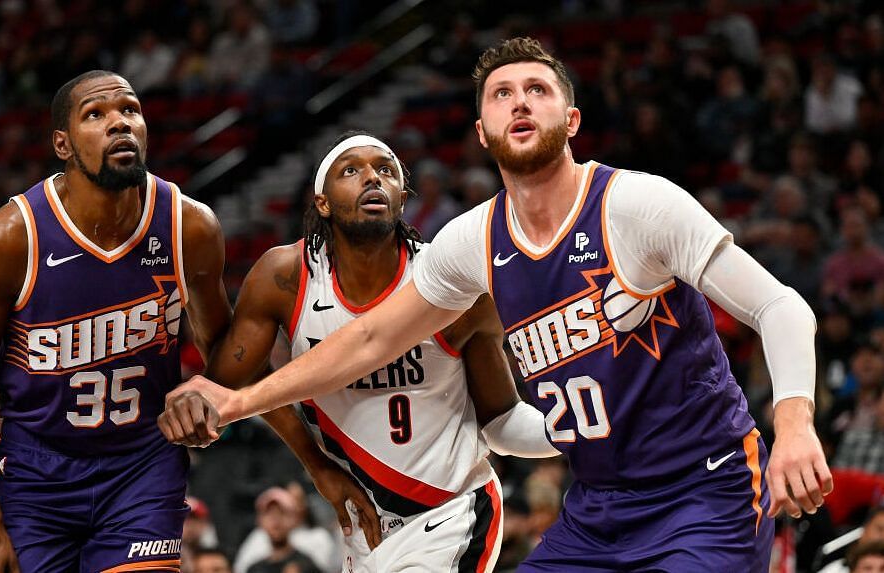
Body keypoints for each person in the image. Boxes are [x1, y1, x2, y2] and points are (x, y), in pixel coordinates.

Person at [177, 38, 833, 572]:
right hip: (597, 505)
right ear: (483, 133)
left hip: (703, 489)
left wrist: (795, 421)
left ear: (569, 119)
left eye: (537, 90)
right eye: (501, 94)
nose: (519, 102)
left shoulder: (636, 206)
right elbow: (370, 340)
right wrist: (238, 400)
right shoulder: (472, 241)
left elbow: (779, 307)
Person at [163, 132, 558, 572]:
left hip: (451, 513)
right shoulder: (285, 277)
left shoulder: (452, 286)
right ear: (322, 202)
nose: (372, 178)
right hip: (361, 525)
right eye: (351, 170)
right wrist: (315, 464)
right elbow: (230, 380)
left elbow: (501, 422)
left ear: (403, 199)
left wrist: (574, 431)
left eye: (386, 170)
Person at [0, 70, 226, 573]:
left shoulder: (189, 226)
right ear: (64, 144)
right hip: (37, 474)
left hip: (141, 463)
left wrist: (212, 390)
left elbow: (225, 349)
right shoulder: (10, 237)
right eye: (95, 115)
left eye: (130, 110)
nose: (119, 122)